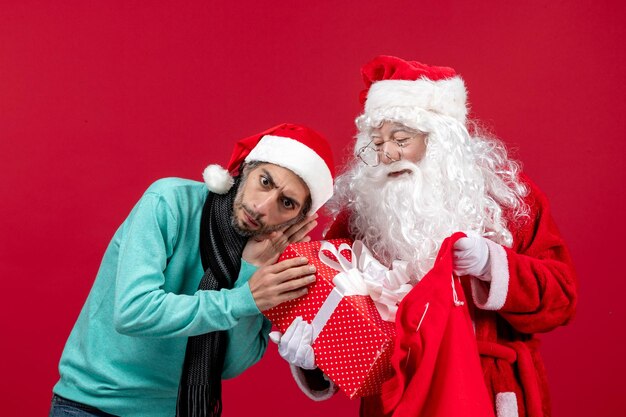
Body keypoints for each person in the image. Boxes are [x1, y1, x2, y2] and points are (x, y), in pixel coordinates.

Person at [271, 57, 578, 417]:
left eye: (401, 139)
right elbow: (339, 321)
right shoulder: (360, 217)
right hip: (398, 399)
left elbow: (562, 298)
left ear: (441, 141)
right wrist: (315, 362)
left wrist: (492, 265)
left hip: (489, 393)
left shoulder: (509, 200)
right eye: (377, 142)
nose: (386, 154)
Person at [49, 123, 335, 417]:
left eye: (286, 203)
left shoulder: (270, 265)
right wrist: (243, 298)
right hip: (94, 405)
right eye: (264, 182)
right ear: (246, 169)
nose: (263, 207)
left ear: (298, 219)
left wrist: (250, 270)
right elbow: (133, 311)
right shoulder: (170, 202)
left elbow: (230, 366)